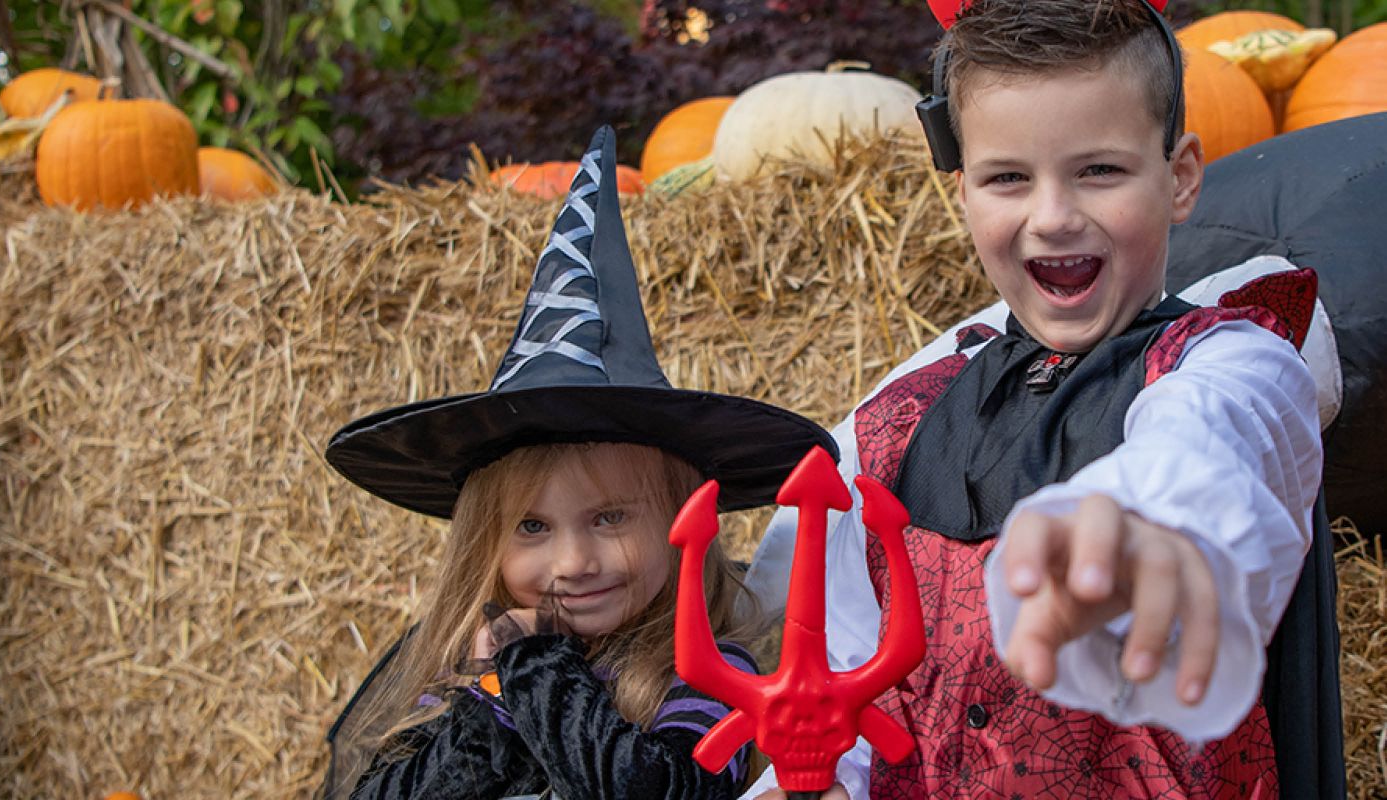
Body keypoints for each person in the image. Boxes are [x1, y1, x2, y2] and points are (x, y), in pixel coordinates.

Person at [740, 0, 1344, 796]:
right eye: (1008, 179)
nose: (1052, 217)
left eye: (1099, 170)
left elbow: (1211, 445)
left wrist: (1140, 521)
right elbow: (848, 673)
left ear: (1180, 178)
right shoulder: (897, 425)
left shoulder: (1232, 361)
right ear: (962, 194)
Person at [316, 126, 838, 800]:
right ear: (485, 545)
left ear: (682, 526)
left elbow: (651, 791)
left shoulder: (707, 680)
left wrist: (533, 662)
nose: (571, 563)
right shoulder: (468, 680)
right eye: (531, 528)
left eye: (609, 517)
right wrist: (491, 708)